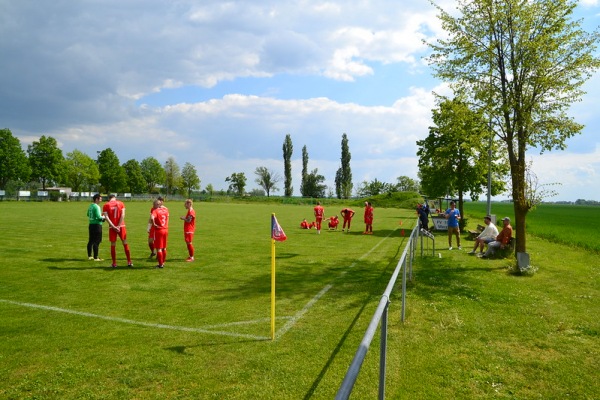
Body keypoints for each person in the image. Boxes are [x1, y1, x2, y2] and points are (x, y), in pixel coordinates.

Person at [103, 194, 133, 268]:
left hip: (112, 227)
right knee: (125, 243)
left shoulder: (106, 205)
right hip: (121, 226)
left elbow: (106, 217)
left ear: (109, 199)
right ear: (114, 198)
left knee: (113, 244)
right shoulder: (121, 203)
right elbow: (123, 215)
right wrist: (119, 225)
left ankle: (114, 263)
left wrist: (113, 226)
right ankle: (129, 262)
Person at [151, 200, 170, 268]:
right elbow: (168, 217)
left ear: (157, 205)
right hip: (165, 229)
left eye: (154, 205)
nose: (153, 206)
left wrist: (154, 224)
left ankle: (160, 264)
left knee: (159, 248)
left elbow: (152, 218)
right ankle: (163, 262)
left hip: (159, 230)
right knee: (164, 248)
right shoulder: (165, 210)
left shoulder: (155, 211)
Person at [86, 193, 104, 261]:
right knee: (97, 241)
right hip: (97, 225)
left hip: (91, 225)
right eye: (100, 199)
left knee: (91, 240)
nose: (101, 200)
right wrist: (104, 217)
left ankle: (90, 256)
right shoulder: (97, 206)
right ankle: (96, 257)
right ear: (96, 199)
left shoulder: (90, 206)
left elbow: (88, 214)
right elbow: (99, 217)